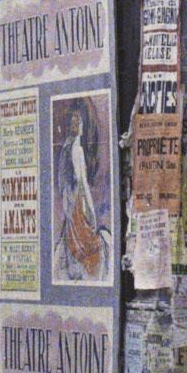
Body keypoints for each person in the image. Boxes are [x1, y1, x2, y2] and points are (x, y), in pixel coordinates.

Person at [53, 102, 108, 282]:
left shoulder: (67, 148)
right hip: (78, 204)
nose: (79, 125)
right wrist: (91, 212)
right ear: (72, 125)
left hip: (70, 205)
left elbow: (63, 182)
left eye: (80, 121)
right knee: (91, 243)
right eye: (76, 122)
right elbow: (81, 182)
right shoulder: (76, 149)